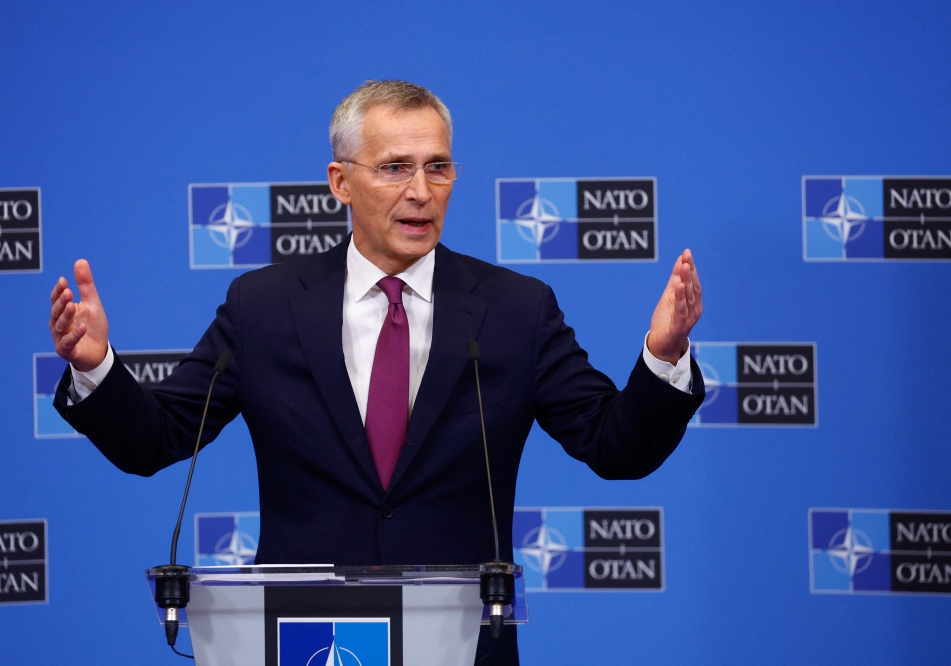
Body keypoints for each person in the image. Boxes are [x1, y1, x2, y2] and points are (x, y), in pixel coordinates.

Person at [48, 80, 704, 665]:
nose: (421, 192)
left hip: (462, 647)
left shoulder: (515, 310)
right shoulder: (264, 307)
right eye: (395, 168)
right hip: (303, 643)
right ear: (340, 182)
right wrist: (96, 367)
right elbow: (157, 438)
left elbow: (616, 446)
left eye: (438, 167)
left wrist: (664, 354)